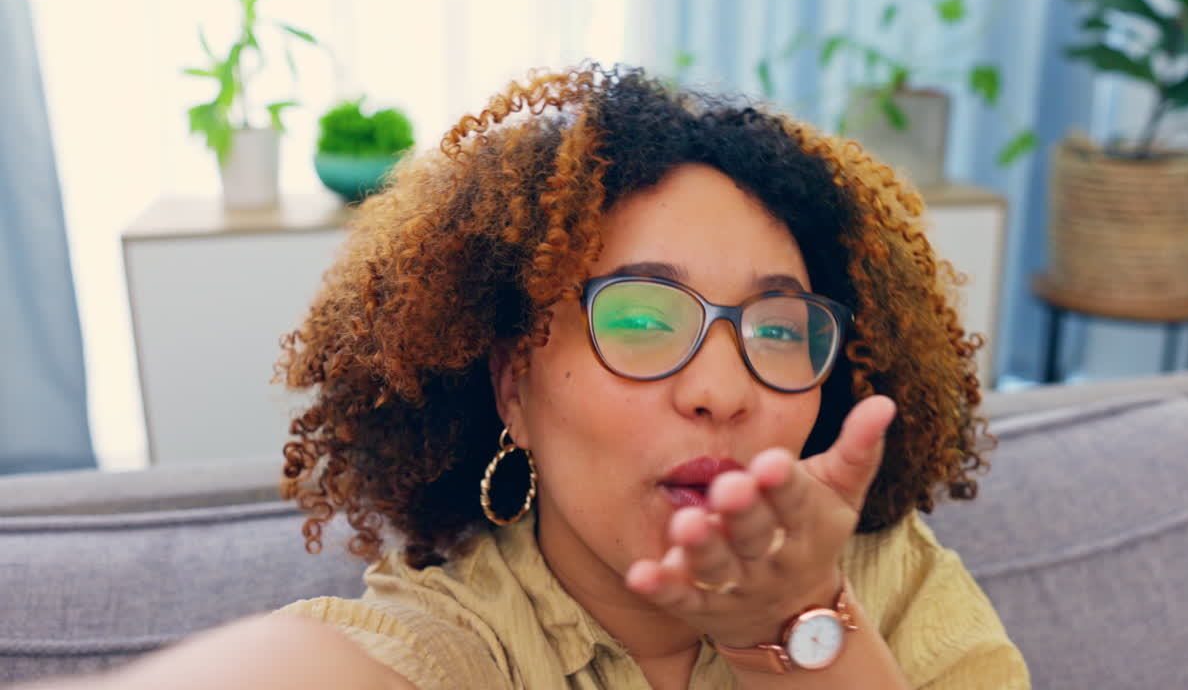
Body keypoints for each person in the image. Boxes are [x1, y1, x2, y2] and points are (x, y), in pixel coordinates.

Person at [24, 63, 1029, 689]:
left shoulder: (891, 579)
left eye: (775, 329)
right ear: (511, 389)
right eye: (640, 316)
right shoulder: (457, 643)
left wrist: (794, 631)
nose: (722, 389)